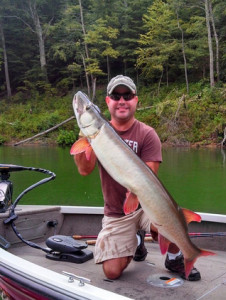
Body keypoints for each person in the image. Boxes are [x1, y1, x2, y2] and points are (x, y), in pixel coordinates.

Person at [73, 75, 201, 281]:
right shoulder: (95, 134)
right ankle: (136, 241)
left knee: (167, 217)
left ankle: (176, 257)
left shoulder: (148, 134)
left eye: (127, 95)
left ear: (135, 100)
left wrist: (134, 193)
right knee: (112, 272)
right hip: (116, 212)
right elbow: (84, 170)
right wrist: (83, 136)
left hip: (144, 206)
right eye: (116, 96)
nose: (121, 100)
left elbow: (149, 181)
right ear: (108, 102)